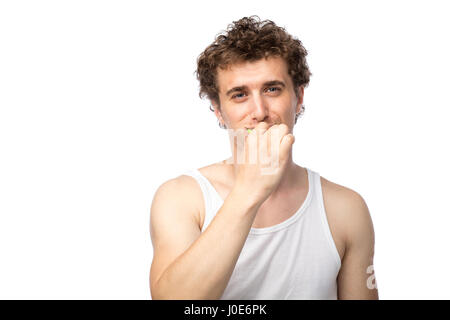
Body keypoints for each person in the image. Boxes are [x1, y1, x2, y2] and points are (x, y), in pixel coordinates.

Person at [149, 16, 378, 300]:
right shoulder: (181, 198)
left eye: (272, 89)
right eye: (239, 94)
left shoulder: (346, 209)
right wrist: (249, 191)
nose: (259, 111)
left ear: (299, 97)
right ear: (218, 110)